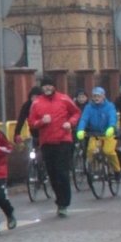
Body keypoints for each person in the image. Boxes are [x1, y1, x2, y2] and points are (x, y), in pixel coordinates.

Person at [25, 80, 79, 216]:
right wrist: (42, 122)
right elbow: (31, 122)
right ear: (42, 88)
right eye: (45, 86)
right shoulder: (37, 103)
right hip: (46, 143)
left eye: (49, 85)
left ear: (54, 86)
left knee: (62, 172)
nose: (47, 88)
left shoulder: (64, 99)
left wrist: (70, 123)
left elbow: (76, 113)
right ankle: (59, 200)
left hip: (63, 140)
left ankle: (64, 203)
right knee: (52, 174)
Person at [77, 86, 118, 177]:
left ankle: (117, 170)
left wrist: (111, 127)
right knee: (91, 150)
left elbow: (112, 117)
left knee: (109, 152)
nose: (96, 98)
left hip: (108, 133)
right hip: (95, 134)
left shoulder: (110, 106)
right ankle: (90, 168)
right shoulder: (88, 107)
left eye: (98, 96)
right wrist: (80, 129)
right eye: (94, 96)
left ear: (103, 96)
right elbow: (84, 119)